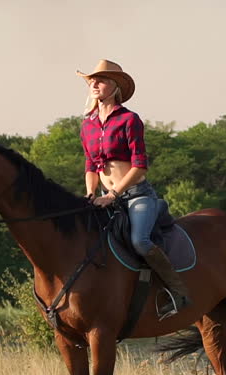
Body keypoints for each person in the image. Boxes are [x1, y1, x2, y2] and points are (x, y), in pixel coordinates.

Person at [76, 59, 191, 317]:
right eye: (92, 80)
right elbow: (91, 165)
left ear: (115, 87)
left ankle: (177, 293)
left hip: (136, 195)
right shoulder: (87, 125)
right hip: (105, 197)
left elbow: (139, 166)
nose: (94, 84)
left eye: (101, 80)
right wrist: (90, 193)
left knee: (139, 241)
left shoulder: (129, 120)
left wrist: (114, 194)